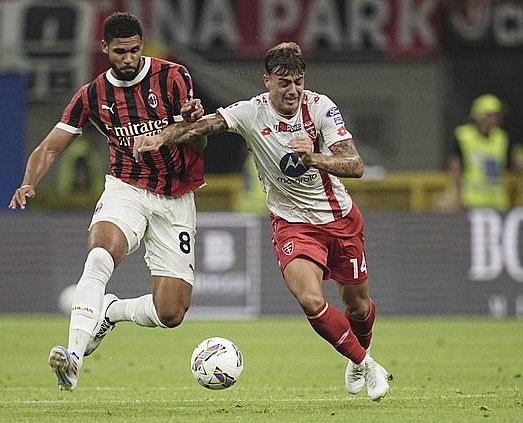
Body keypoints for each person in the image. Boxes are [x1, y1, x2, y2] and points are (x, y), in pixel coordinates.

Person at [134, 42, 391, 401]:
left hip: (340, 220)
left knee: (358, 306)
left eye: (298, 81)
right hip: (292, 224)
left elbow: (356, 166)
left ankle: (357, 357)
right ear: (267, 80)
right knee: (310, 299)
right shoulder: (250, 112)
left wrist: (314, 157)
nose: (292, 90)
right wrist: (161, 137)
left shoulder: (320, 108)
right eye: (284, 82)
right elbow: (204, 126)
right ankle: (368, 363)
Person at [9, 12, 206, 391]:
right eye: (120, 52)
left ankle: (110, 312)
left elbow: (198, 138)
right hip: (125, 188)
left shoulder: (173, 76)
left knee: (171, 312)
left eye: (134, 50)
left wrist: (187, 125)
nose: (129, 58)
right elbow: (51, 146)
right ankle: (73, 358)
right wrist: (29, 182)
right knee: (100, 253)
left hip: (176, 197)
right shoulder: (93, 95)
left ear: (142, 45)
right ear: (105, 49)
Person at [448, 94, 522, 211]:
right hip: (471, 201)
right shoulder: (463, 136)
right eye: (492, 115)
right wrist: (458, 197)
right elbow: (455, 169)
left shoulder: (501, 138)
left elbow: (515, 164)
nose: (497, 118)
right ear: (481, 115)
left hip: (497, 202)